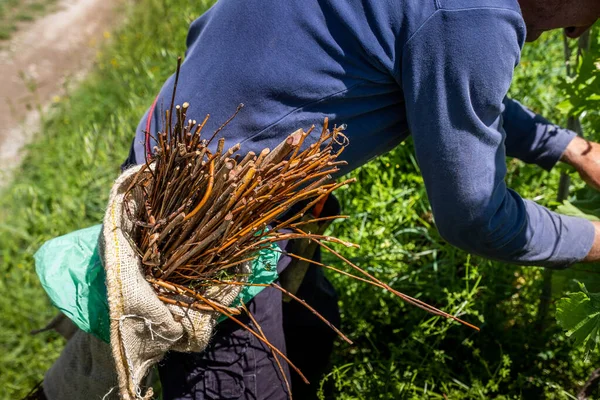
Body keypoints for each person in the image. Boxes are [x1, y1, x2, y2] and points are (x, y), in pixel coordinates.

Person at [122, 0, 600, 398]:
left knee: (309, 335)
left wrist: (572, 148)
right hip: (201, 218)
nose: (580, 32)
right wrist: (592, 238)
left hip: (185, 133)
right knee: (242, 383)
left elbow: (443, 72)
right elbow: (474, 216)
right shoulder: (474, 14)